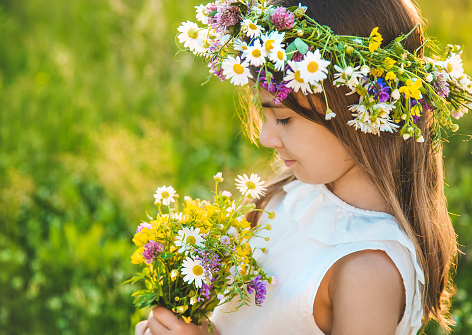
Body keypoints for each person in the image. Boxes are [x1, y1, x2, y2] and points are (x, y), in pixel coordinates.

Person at [136, 0, 467, 333]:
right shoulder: (289, 198)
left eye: (283, 118)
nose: (265, 138)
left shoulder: (367, 270)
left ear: (358, 108)